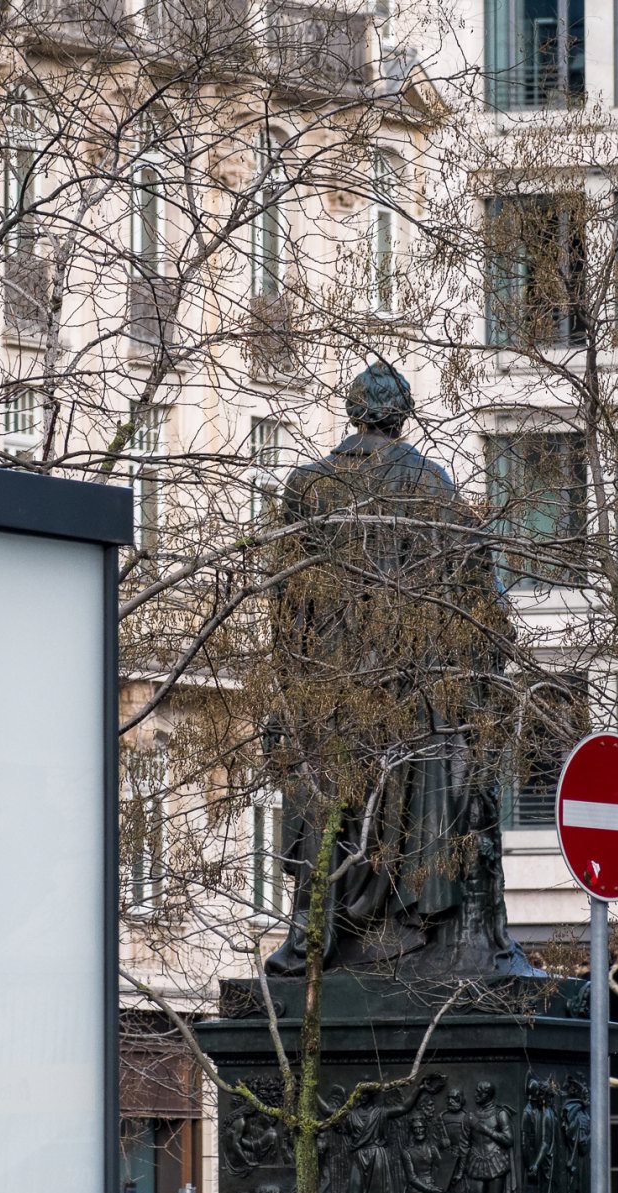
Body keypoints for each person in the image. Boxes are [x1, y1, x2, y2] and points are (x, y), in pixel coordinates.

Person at [264, 361, 525, 978]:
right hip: (408, 682)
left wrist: (292, 673)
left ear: (353, 410)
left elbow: (287, 595)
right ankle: (401, 925)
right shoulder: (432, 485)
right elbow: (471, 588)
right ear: (402, 414)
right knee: (404, 806)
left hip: (328, 679)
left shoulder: (309, 486)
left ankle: (317, 932)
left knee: (330, 803)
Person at [450, 1082, 515, 1193]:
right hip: (475, 1163)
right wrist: (460, 1172)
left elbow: (509, 1140)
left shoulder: (500, 1114)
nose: (475, 1094)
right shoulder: (470, 1116)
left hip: (496, 1162)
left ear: (488, 1095)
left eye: (479, 1092)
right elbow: (464, 1145)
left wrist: (484, 1129)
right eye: (476, 1091)